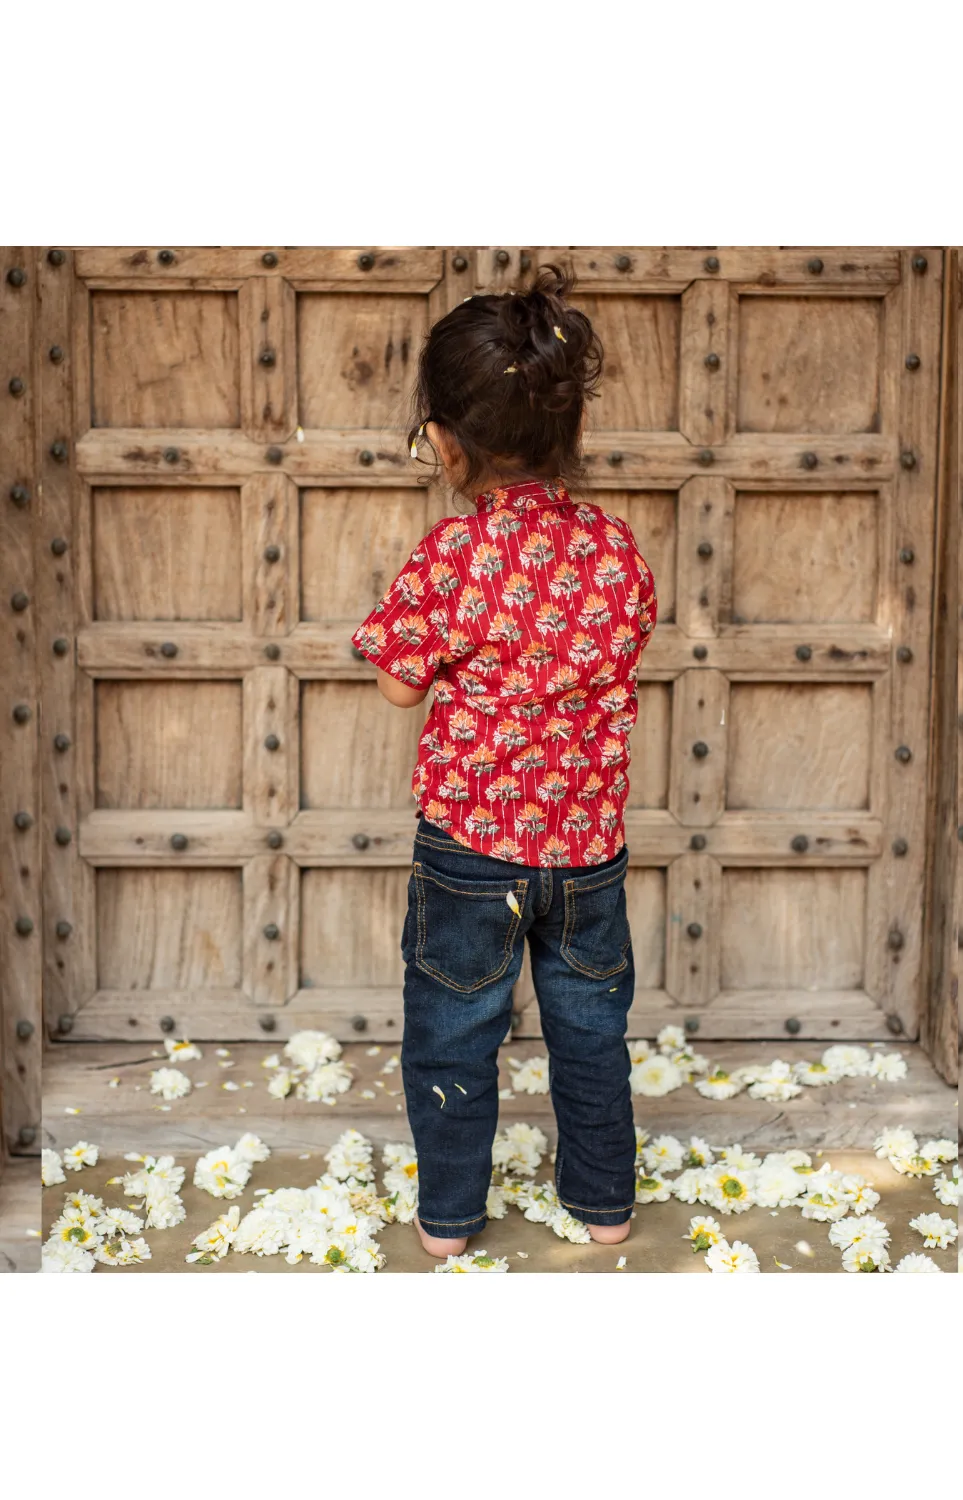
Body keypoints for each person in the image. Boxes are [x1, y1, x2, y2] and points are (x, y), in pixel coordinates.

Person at [350, 263, 658, 1257]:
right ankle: (605, 1210)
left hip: (470, 848)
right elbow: (614, 655)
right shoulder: (616, 551)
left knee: (453, 1032)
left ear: (444, 439)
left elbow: (401, 684)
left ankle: (447, 1225)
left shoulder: (453, 555)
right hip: (586, 845)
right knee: (590, 1034)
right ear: (567, 431)